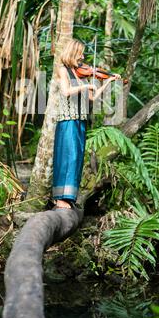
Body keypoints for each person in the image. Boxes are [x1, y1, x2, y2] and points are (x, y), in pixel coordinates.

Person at [52, 38, 120, 209]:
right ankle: (60, 198)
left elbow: (92, 97)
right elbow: (66, 91)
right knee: (67, 157)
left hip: (80, 121)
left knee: (77, 158)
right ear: (72, 52)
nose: (82, 56)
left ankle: (69, 198)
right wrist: (86, 86)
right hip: (68, 120)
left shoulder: (77, 73)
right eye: (80, 53)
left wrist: (108, 81)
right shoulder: (62, 70)